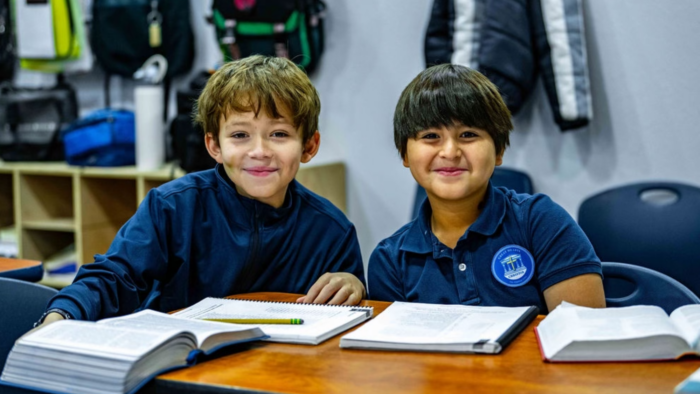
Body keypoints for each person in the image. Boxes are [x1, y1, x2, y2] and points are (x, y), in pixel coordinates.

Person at [34, 55, 366, 328]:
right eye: (240, 135)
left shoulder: (332, 232)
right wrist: (60, 316)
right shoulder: (172, 207)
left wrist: (355, 288)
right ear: (214, 145)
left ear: (309, 146)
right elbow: (113, 277)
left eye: (279, 134)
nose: (260, 151)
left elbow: (349, 322)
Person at [368, 64, 605, 313]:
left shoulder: (541, 221)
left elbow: (585, 340)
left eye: (468, 134)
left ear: (499, 151)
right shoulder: (390, 260)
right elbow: (395, 350)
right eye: (430, 136)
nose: (450, 152)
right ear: (405, 154)